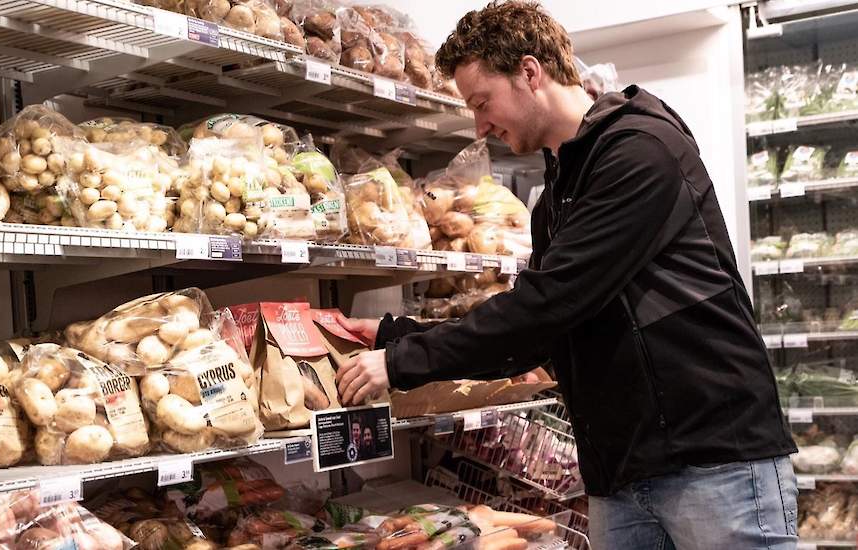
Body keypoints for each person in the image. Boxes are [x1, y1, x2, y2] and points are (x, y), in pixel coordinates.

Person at [334, 2, 798, 549]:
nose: (480, 126)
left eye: (483, 103)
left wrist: (399, 362)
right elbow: (543, 332)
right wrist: (395, 336)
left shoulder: (640, 153)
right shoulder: (556, 199)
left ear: (530, 72)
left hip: (712, 460)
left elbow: (547, 306)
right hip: (619, 470)